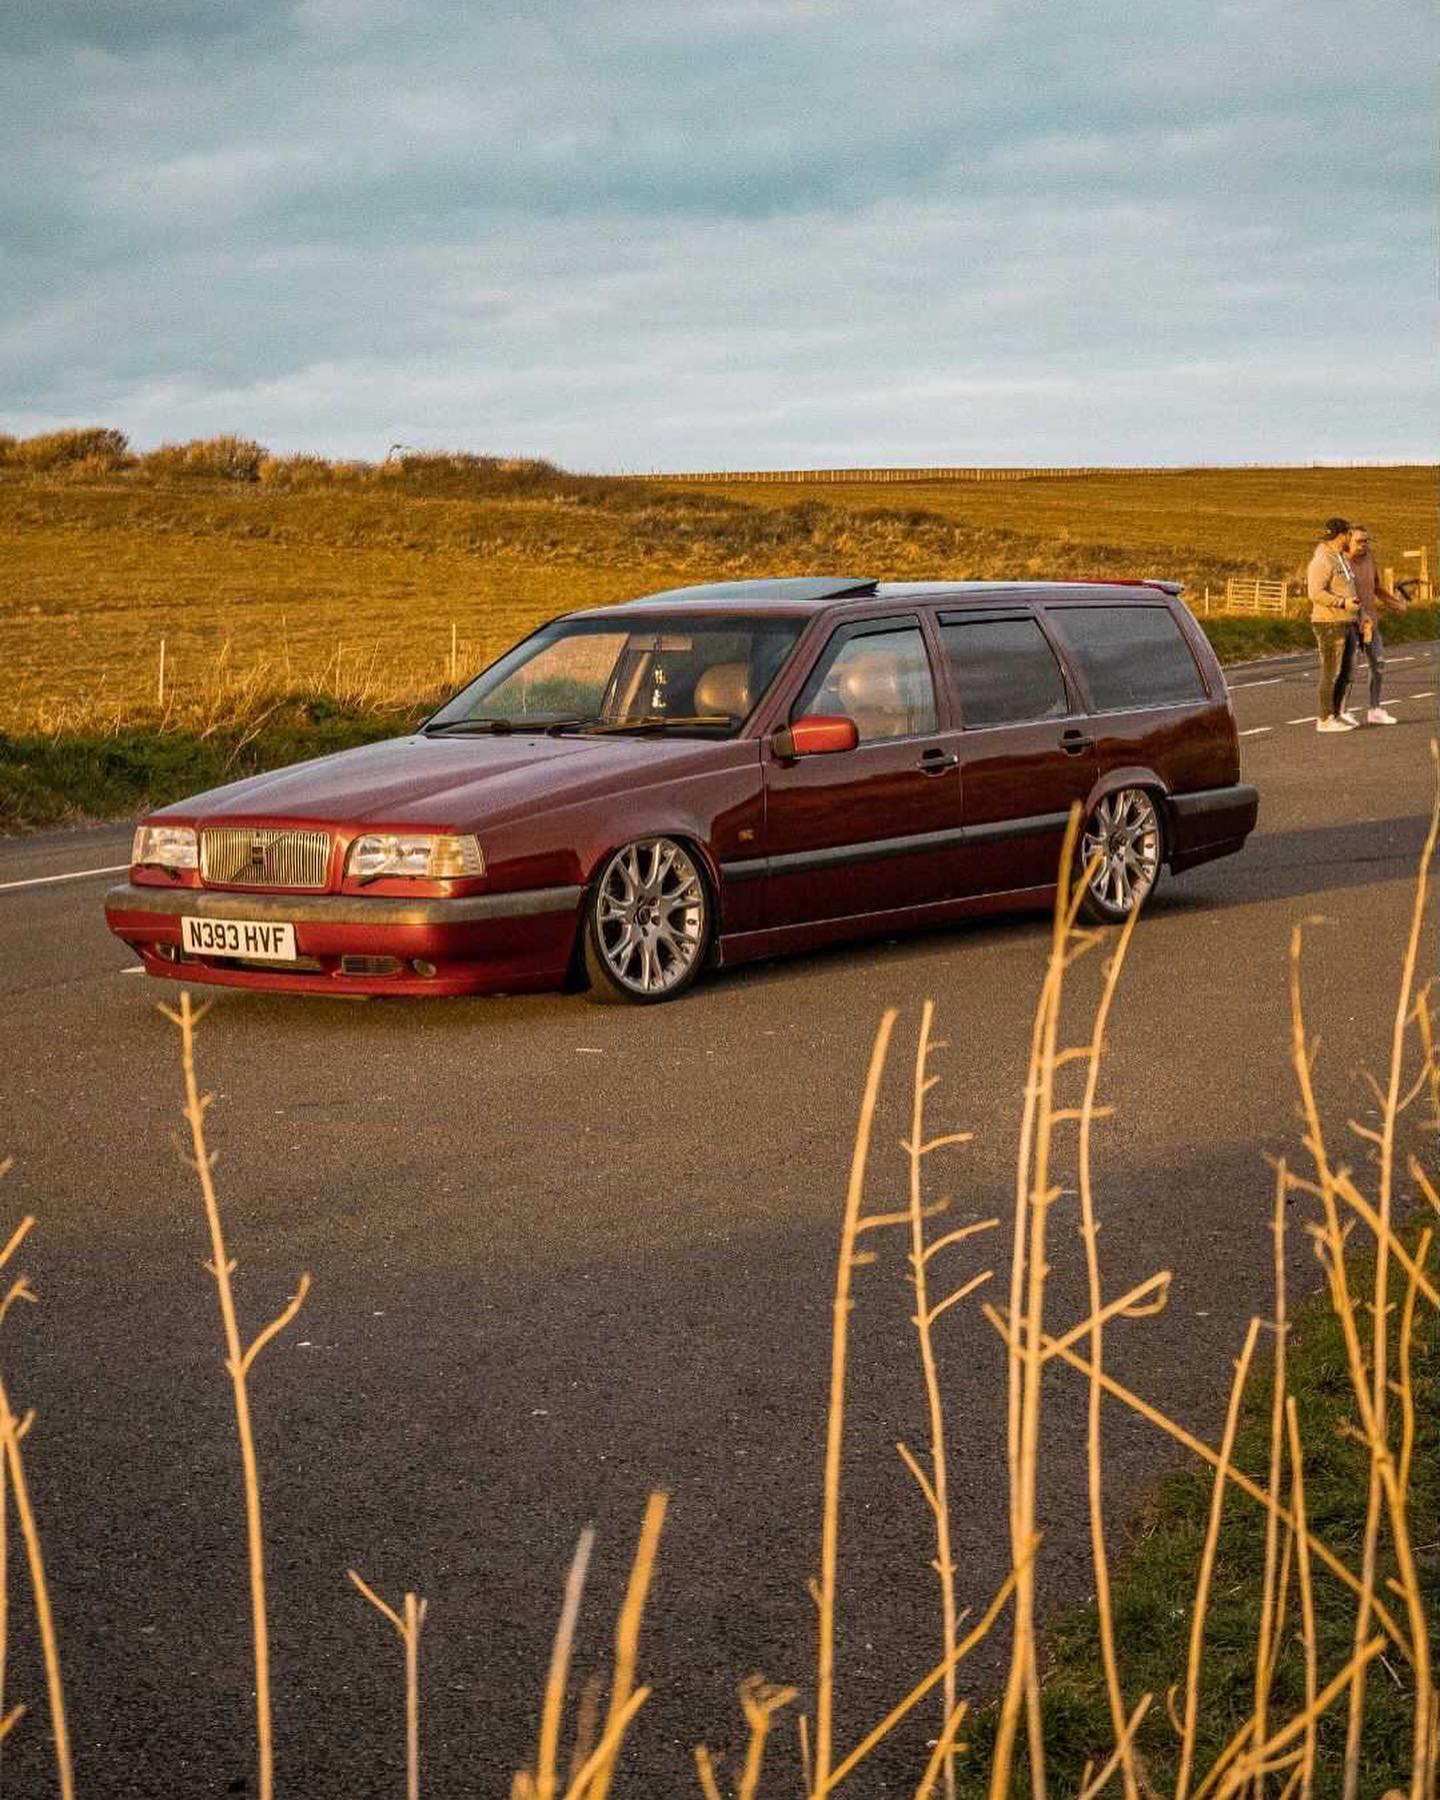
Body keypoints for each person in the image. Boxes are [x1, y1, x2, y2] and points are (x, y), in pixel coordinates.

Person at [1338, 523, 1406, 725]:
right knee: (1349, 668)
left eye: (1367, 541)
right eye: (1359, 541)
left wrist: (1395, 603)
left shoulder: (1369, 559)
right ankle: (1341, 711)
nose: (1364, 545)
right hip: (1349, 622)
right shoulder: (1340, 562)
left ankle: (1375, 709)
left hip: (1370, 623)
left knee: (1378, 664)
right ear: (1348, 541)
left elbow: (1377, 587)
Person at [1307, 517, 1361, 732]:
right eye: (1348, 533)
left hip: (1348, 621)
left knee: (1346, 671)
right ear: (1341, 535)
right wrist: (1341, 602)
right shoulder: (1322, 560)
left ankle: (1336, 713)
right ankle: (1325, 718)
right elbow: (1315, 593)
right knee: (1332, 672)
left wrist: (1360, 614)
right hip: (1329, 623)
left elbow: (1349, 589)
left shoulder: (1341, 558)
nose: (1350, 537)